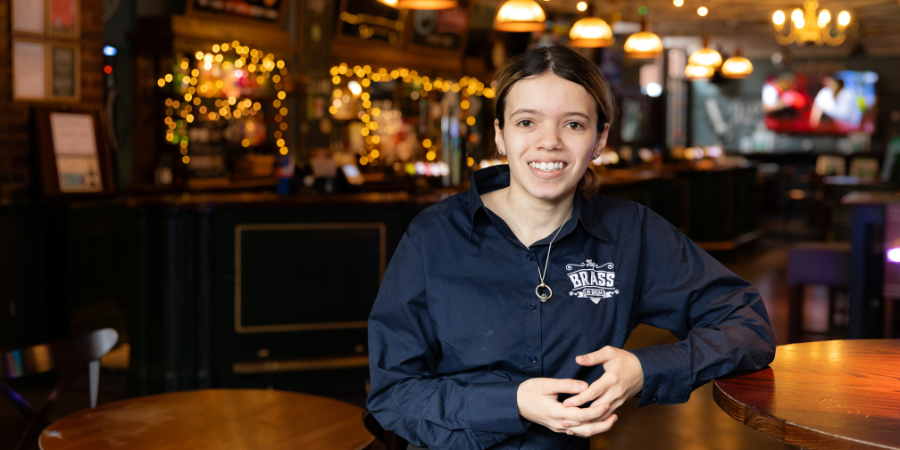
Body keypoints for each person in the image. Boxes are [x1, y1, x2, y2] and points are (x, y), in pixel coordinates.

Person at [367, 45, 776, 450]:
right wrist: (513, 402)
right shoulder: (433, 236)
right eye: (527, 122)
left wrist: (644, 368)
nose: (549, 143)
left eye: (574, 125)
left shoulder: (631, 233)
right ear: (500, 135)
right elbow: (394, 394)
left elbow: (749, 327)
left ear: (600, 139)